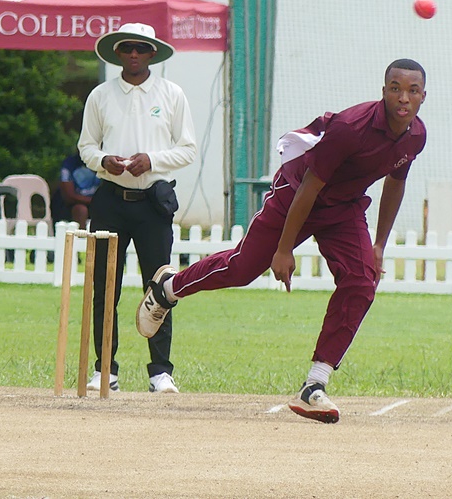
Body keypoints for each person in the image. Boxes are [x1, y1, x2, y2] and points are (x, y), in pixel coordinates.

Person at [136, 59, 427, 423]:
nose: (403, 97)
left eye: (412, 90)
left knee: (361, 281)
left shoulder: (416, 135)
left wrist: (379, 244)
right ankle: (170, 286)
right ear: (383, 91)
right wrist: (284, 249)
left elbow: (395, 184)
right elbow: (310, 186)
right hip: (297, 193)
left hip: (343, 206)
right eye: (395, 88)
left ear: (423, 97)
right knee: (244, 268)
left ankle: (314, 385)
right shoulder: (352, 127)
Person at [78, 22, 197, 394]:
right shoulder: (100, 95)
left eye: (140, 49)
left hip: (152, 202)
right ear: (117, 52)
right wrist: (104, 161)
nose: (133, 54)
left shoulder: (171, 93)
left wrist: (153, 160)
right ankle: (105, 369)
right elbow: (86, 147)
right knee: (105, 287)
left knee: (161, 286)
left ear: (152, 54)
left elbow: (188, 148)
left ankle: (160, 371)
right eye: (127, 48)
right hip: (112, 199)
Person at [51, 150, 99, 227]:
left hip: (96, 203)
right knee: (81, 209)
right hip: (71, 205)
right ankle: (81, 237)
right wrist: (94, 201)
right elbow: (69, 196)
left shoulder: (102, 163)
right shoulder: (70, 164)